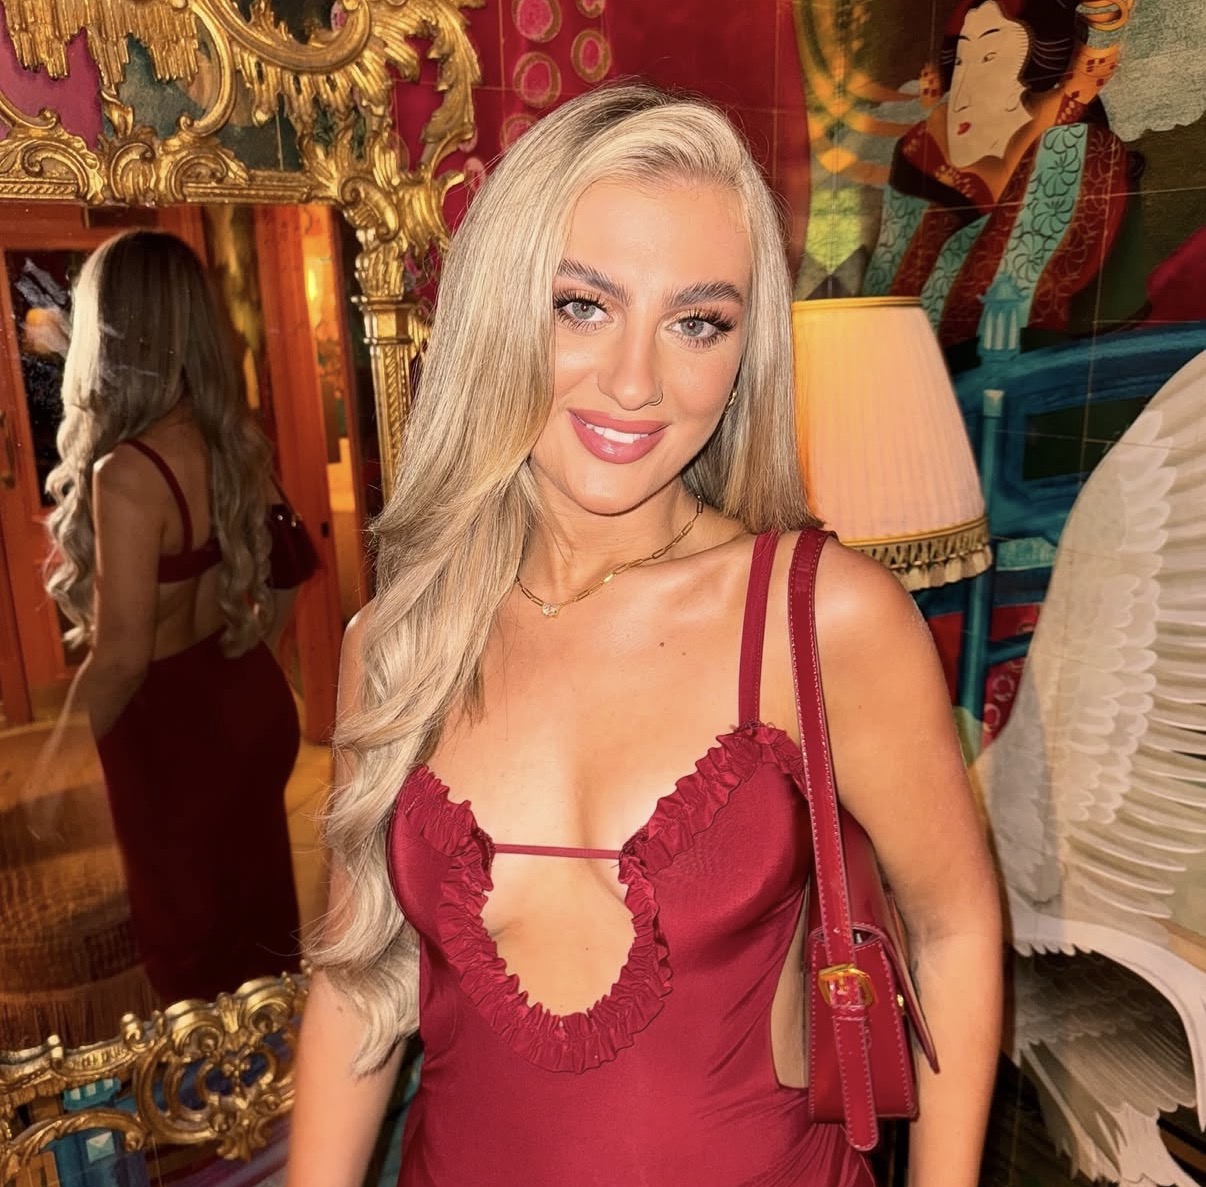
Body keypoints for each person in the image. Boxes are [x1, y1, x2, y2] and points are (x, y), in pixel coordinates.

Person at [289, 84, 1002, 1186]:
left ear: (745, 351)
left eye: (697, 322)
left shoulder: (821, 618)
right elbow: (357, 981)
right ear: (498, 310)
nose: (635, 380)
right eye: (583, 305)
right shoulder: (398, 639)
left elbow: (952, 927)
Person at [44, 230, 305, 1005]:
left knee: (190, 953)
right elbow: (292, 568)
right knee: (260, 926)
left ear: (112, 333)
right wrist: (251, 644)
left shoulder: (126, 473)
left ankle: (214, 1077)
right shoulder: (232, 439)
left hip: (170, 736)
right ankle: (277, 1067)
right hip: (246, 700)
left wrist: (56, 762)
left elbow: (122, 658)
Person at [863, 0, 1143, 349]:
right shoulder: (926, 152)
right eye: (961, 61)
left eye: (989, 57)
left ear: (1039, 70)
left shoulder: (1077, 147)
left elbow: (1003, 294)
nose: (963, 94)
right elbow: (888, 291)